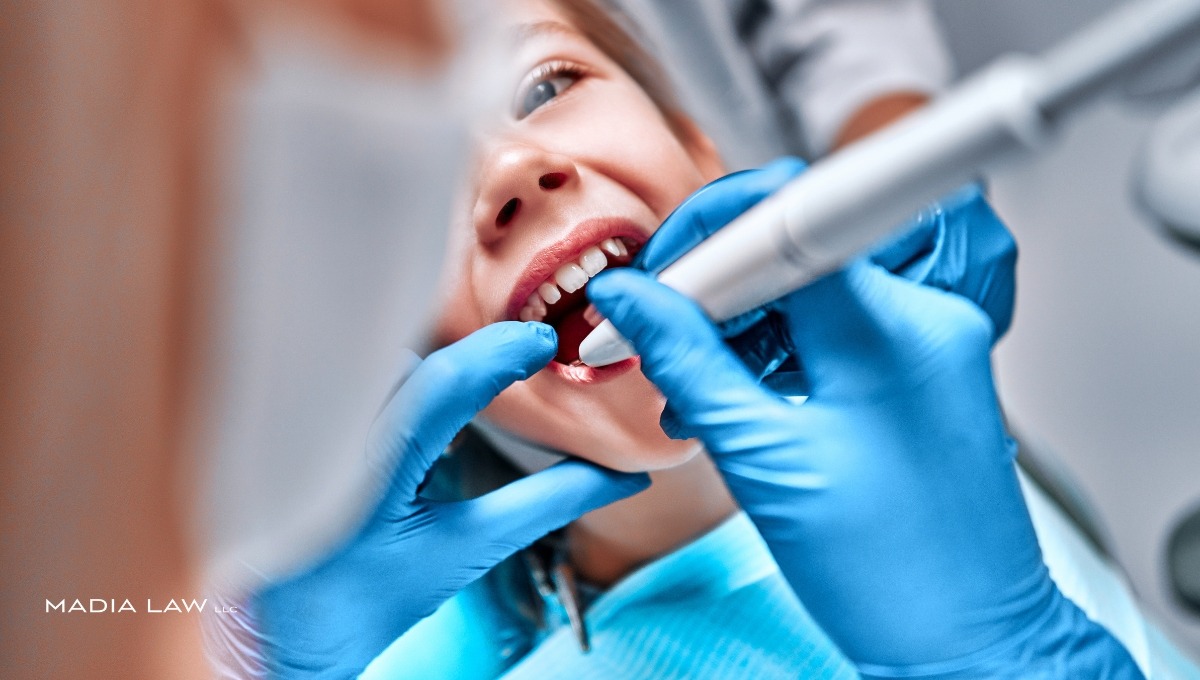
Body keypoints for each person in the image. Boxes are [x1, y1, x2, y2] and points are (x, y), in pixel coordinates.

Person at [352, 0, 1196, 677]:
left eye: (546, 87)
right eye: (408, 188)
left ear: (698, 143)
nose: (509, 169)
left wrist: (897, 172)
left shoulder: (940, 459)